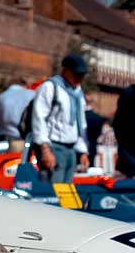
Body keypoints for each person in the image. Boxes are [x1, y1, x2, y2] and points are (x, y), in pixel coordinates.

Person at [23, 53, 90, 186]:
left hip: (71, 149)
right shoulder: (50, 87)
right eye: (76, 74)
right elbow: (39, 118)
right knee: (52, 191)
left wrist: (83, 152)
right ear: (66, 71)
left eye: (81, 76)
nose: (79, 79)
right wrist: (45, 150)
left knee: (66, 194)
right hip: (54, 147)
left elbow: (80, 124)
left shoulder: (77, 93)